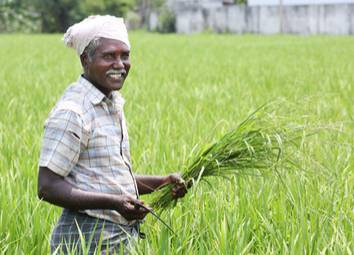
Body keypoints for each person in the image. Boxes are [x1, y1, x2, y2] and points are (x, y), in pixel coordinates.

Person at [37, 15, 187, 254]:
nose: (120, 64)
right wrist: (114, 203)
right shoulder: (73, 112)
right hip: (86, 240)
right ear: (86, 59)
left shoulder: (109, 105)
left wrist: (161, 183)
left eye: (124, 55)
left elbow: (105, 179)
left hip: (116, 239)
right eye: (109, 56)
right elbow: (47, 186)